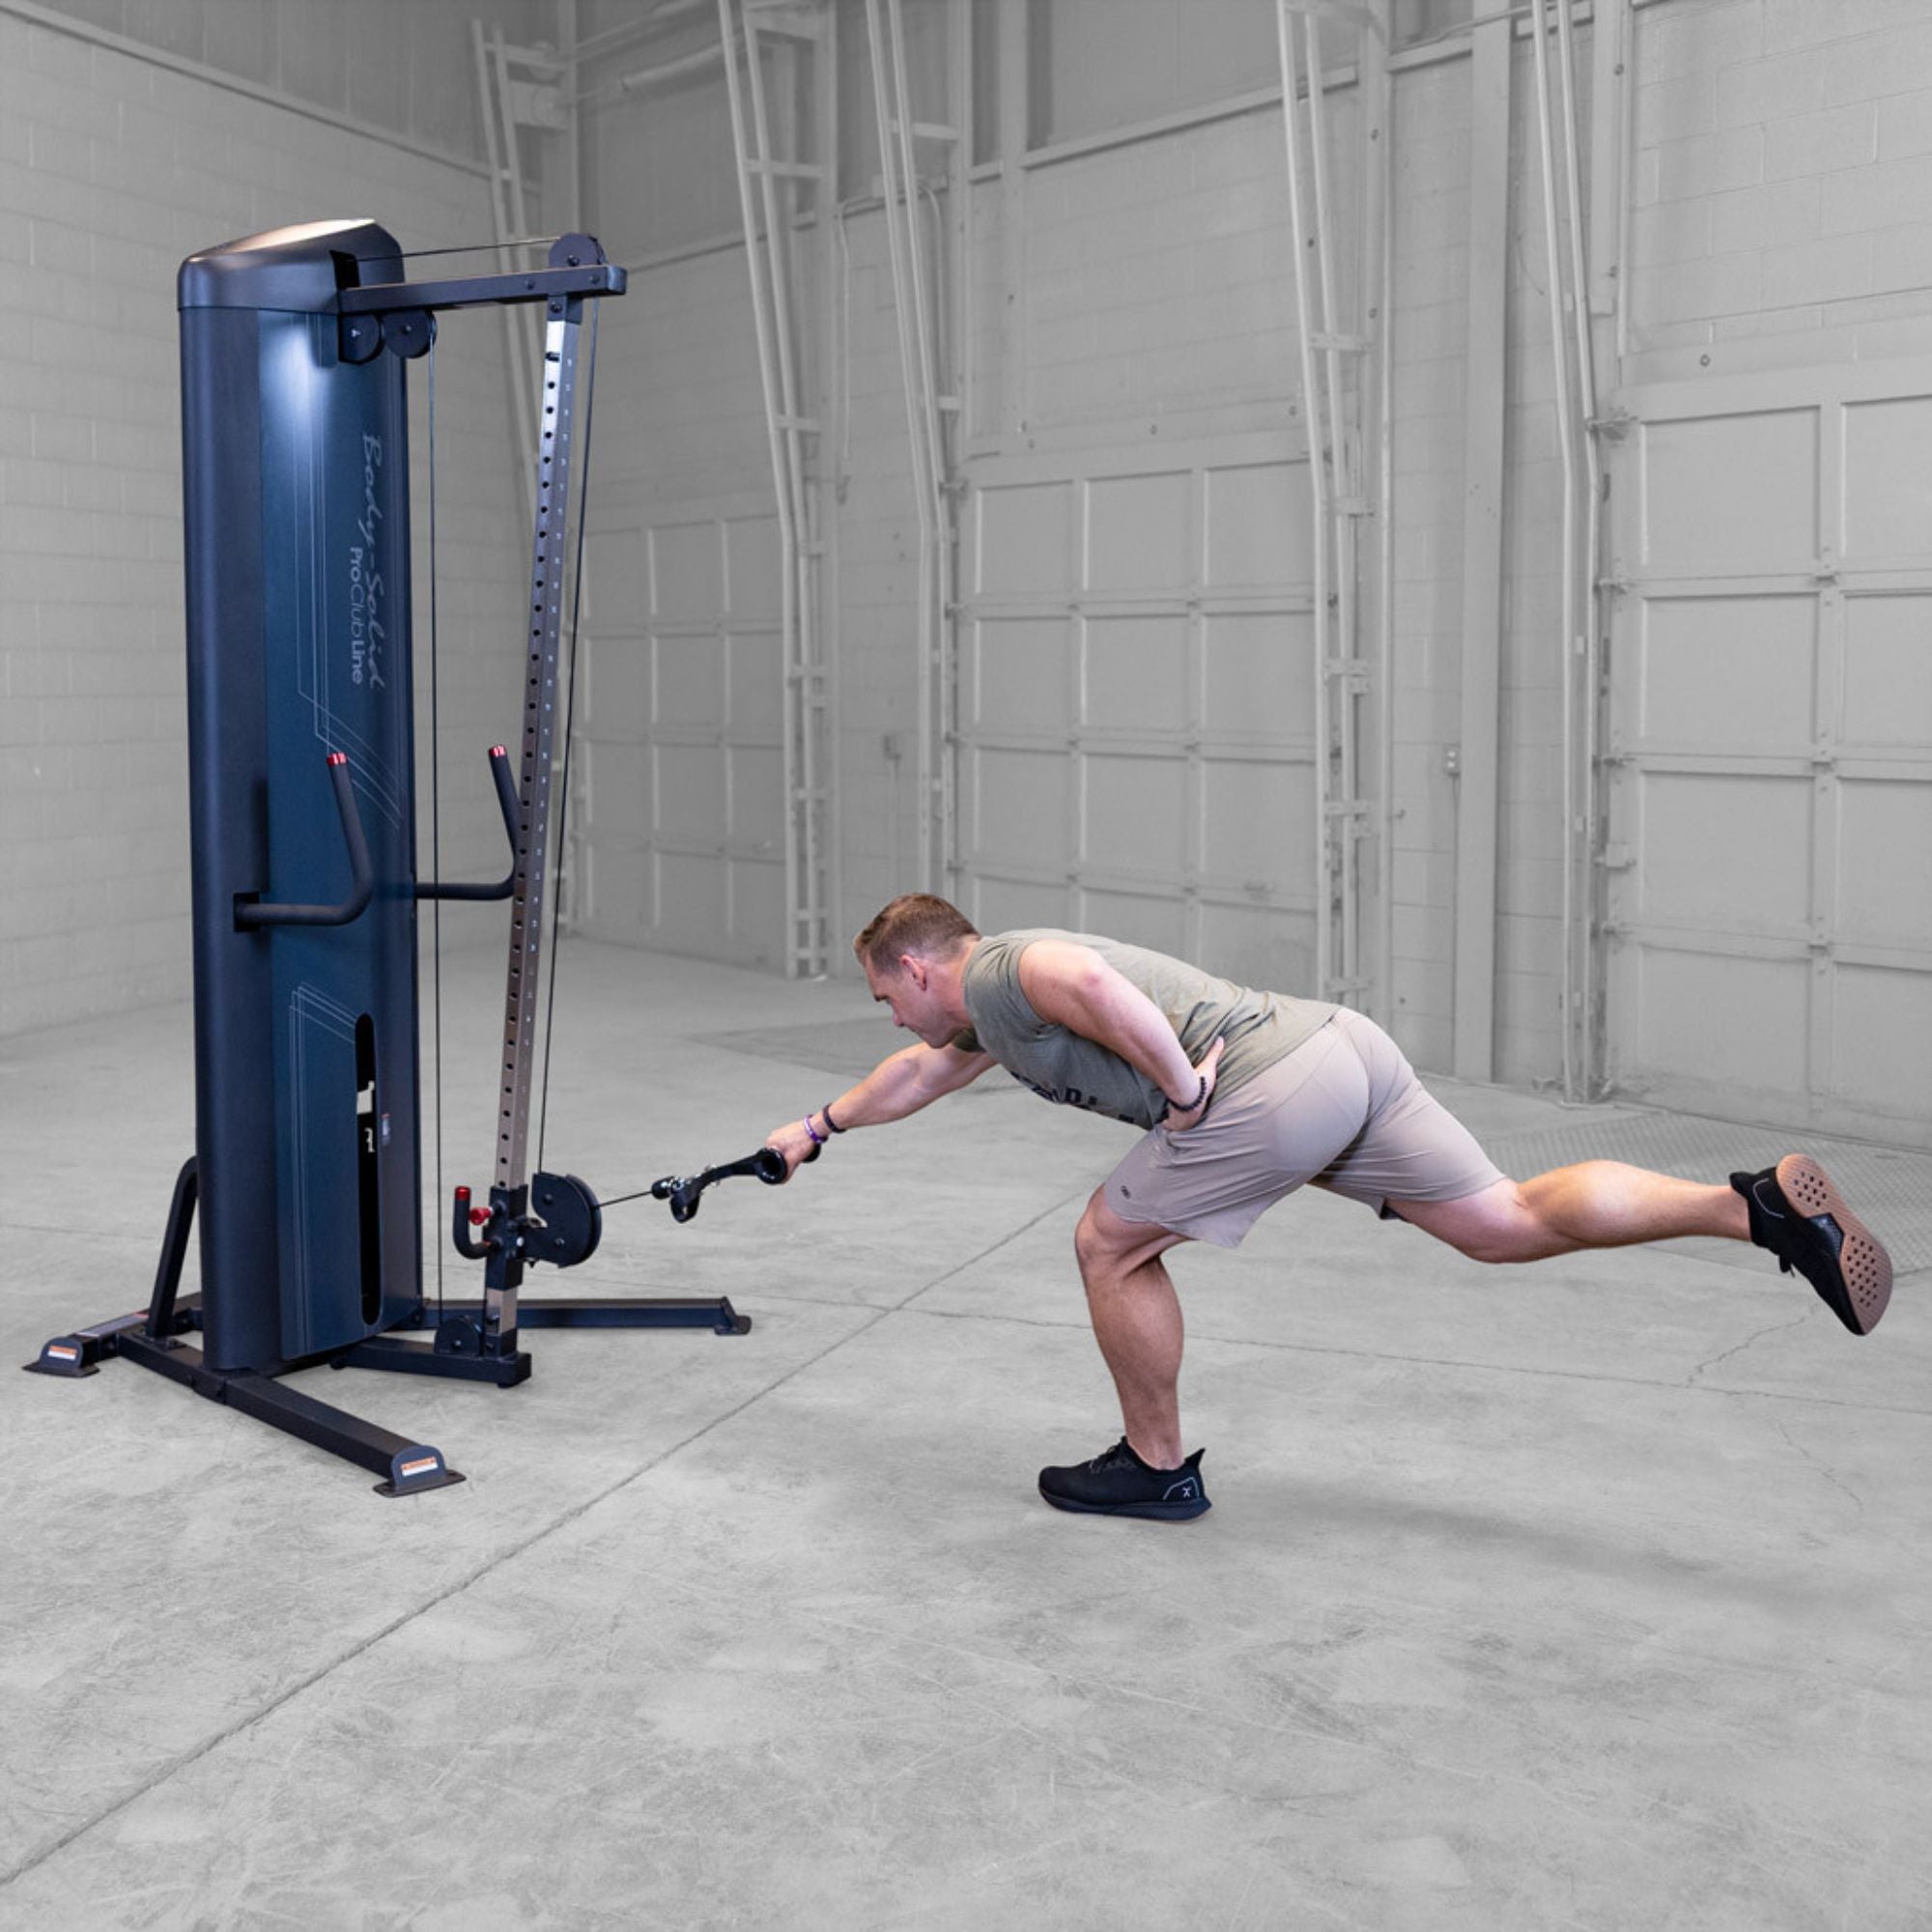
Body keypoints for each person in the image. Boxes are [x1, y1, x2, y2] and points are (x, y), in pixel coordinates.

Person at [763, 895, 1894, 1523]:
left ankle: (1154, 1465)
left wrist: (1177, 1088)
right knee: (1498, 1220)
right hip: (1340, 1050)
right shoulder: (978, 1023)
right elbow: (912, 1077)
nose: (892, 1024)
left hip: (1257, 1081)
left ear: (917, 968)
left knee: (1107, 1242)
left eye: (884, 999)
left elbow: (1095, 988)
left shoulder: (1004, 971)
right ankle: (1750, 1209)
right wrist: (814, 1129)